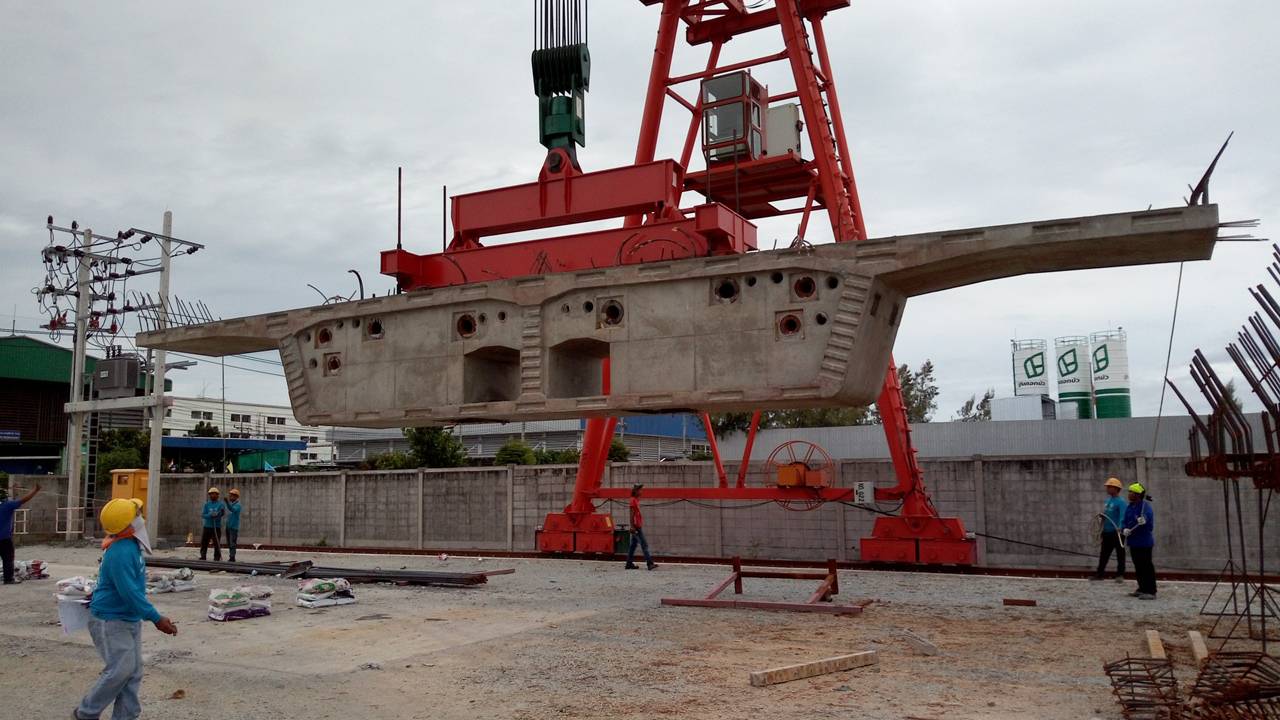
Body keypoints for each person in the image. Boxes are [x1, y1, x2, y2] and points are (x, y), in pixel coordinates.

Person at [73, 497, 178, 720]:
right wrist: (156, 618)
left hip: (126, 618)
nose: (142, 518)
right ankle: (85, 713)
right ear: (129, 524)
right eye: (137, 515)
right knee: (120, 670)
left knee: (132, 671)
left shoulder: (130, 546)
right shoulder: (121, 552)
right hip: (110, 620)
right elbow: (129, 593)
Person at [1, 483, 41, 584]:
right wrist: (35, 490)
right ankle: (8, 579)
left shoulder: (8, 505)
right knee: (7, 559)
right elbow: (22, 500)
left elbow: (14, 501)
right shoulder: (7, 505)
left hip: (4, 538)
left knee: (8, 558)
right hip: (4, 539)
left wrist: (14, 491)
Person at [1122, 482, 1156, 599]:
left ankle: (1151, 591)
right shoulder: (1130, 507)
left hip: (1144, 542)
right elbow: (1125, 521)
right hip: (1134, 542)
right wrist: (1124, 529)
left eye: (1131, 492)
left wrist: (1144, 521)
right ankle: (1142, 588)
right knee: (1138, 566)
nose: (1129, 494)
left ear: (1137, 494)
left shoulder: (1145, 507)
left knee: (1146, 566)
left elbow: (1148, 521)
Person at [1091, 477, 1127, 581]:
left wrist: (1120, 528)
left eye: (1109, 487)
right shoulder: (1108, 500)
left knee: (1120, 554)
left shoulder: (1121, 502)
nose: (1107, 489)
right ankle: (1099, 574)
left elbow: (1122, 516)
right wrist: (1102, 517)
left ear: (1116, 488)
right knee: (1104, 554)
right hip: (1106, 532)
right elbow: (1107, 514)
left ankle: (1120, 575)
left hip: (1117, 532)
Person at [624, 484, 657, 571]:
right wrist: (632, 527)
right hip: (636, 526)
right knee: (644, 544)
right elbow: (631, 514)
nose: (641, 491)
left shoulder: (635, 500)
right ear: (636, 491)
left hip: (637, 525)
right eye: (640, 490)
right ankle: (649, 564)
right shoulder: (632, 500)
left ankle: (628, 564)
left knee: (633, 545)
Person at [199, 487, 225, 561]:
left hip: (216, 527)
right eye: (211, 494)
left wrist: (218, 514)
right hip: (207, 526)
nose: (212, 496)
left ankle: (217, 557)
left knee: (216, 543)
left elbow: (222, 513)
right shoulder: (207, 504)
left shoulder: (221, 504)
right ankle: (203, 556)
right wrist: (210, 515)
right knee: (204, 542)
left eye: (214, 494)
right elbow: (203, 515)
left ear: (217, 495)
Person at [224, 488, 242, 562]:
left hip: (233, 527)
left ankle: (232, 557)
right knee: (229, 543)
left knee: (232, 543)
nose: (230, 497)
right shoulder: (231, 504)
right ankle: (231, 556)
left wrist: (227, 503)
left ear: (236, 497)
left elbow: (232, 510)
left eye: (231, 496)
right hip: (228, 527)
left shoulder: (238, 505)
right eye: (230, 495)